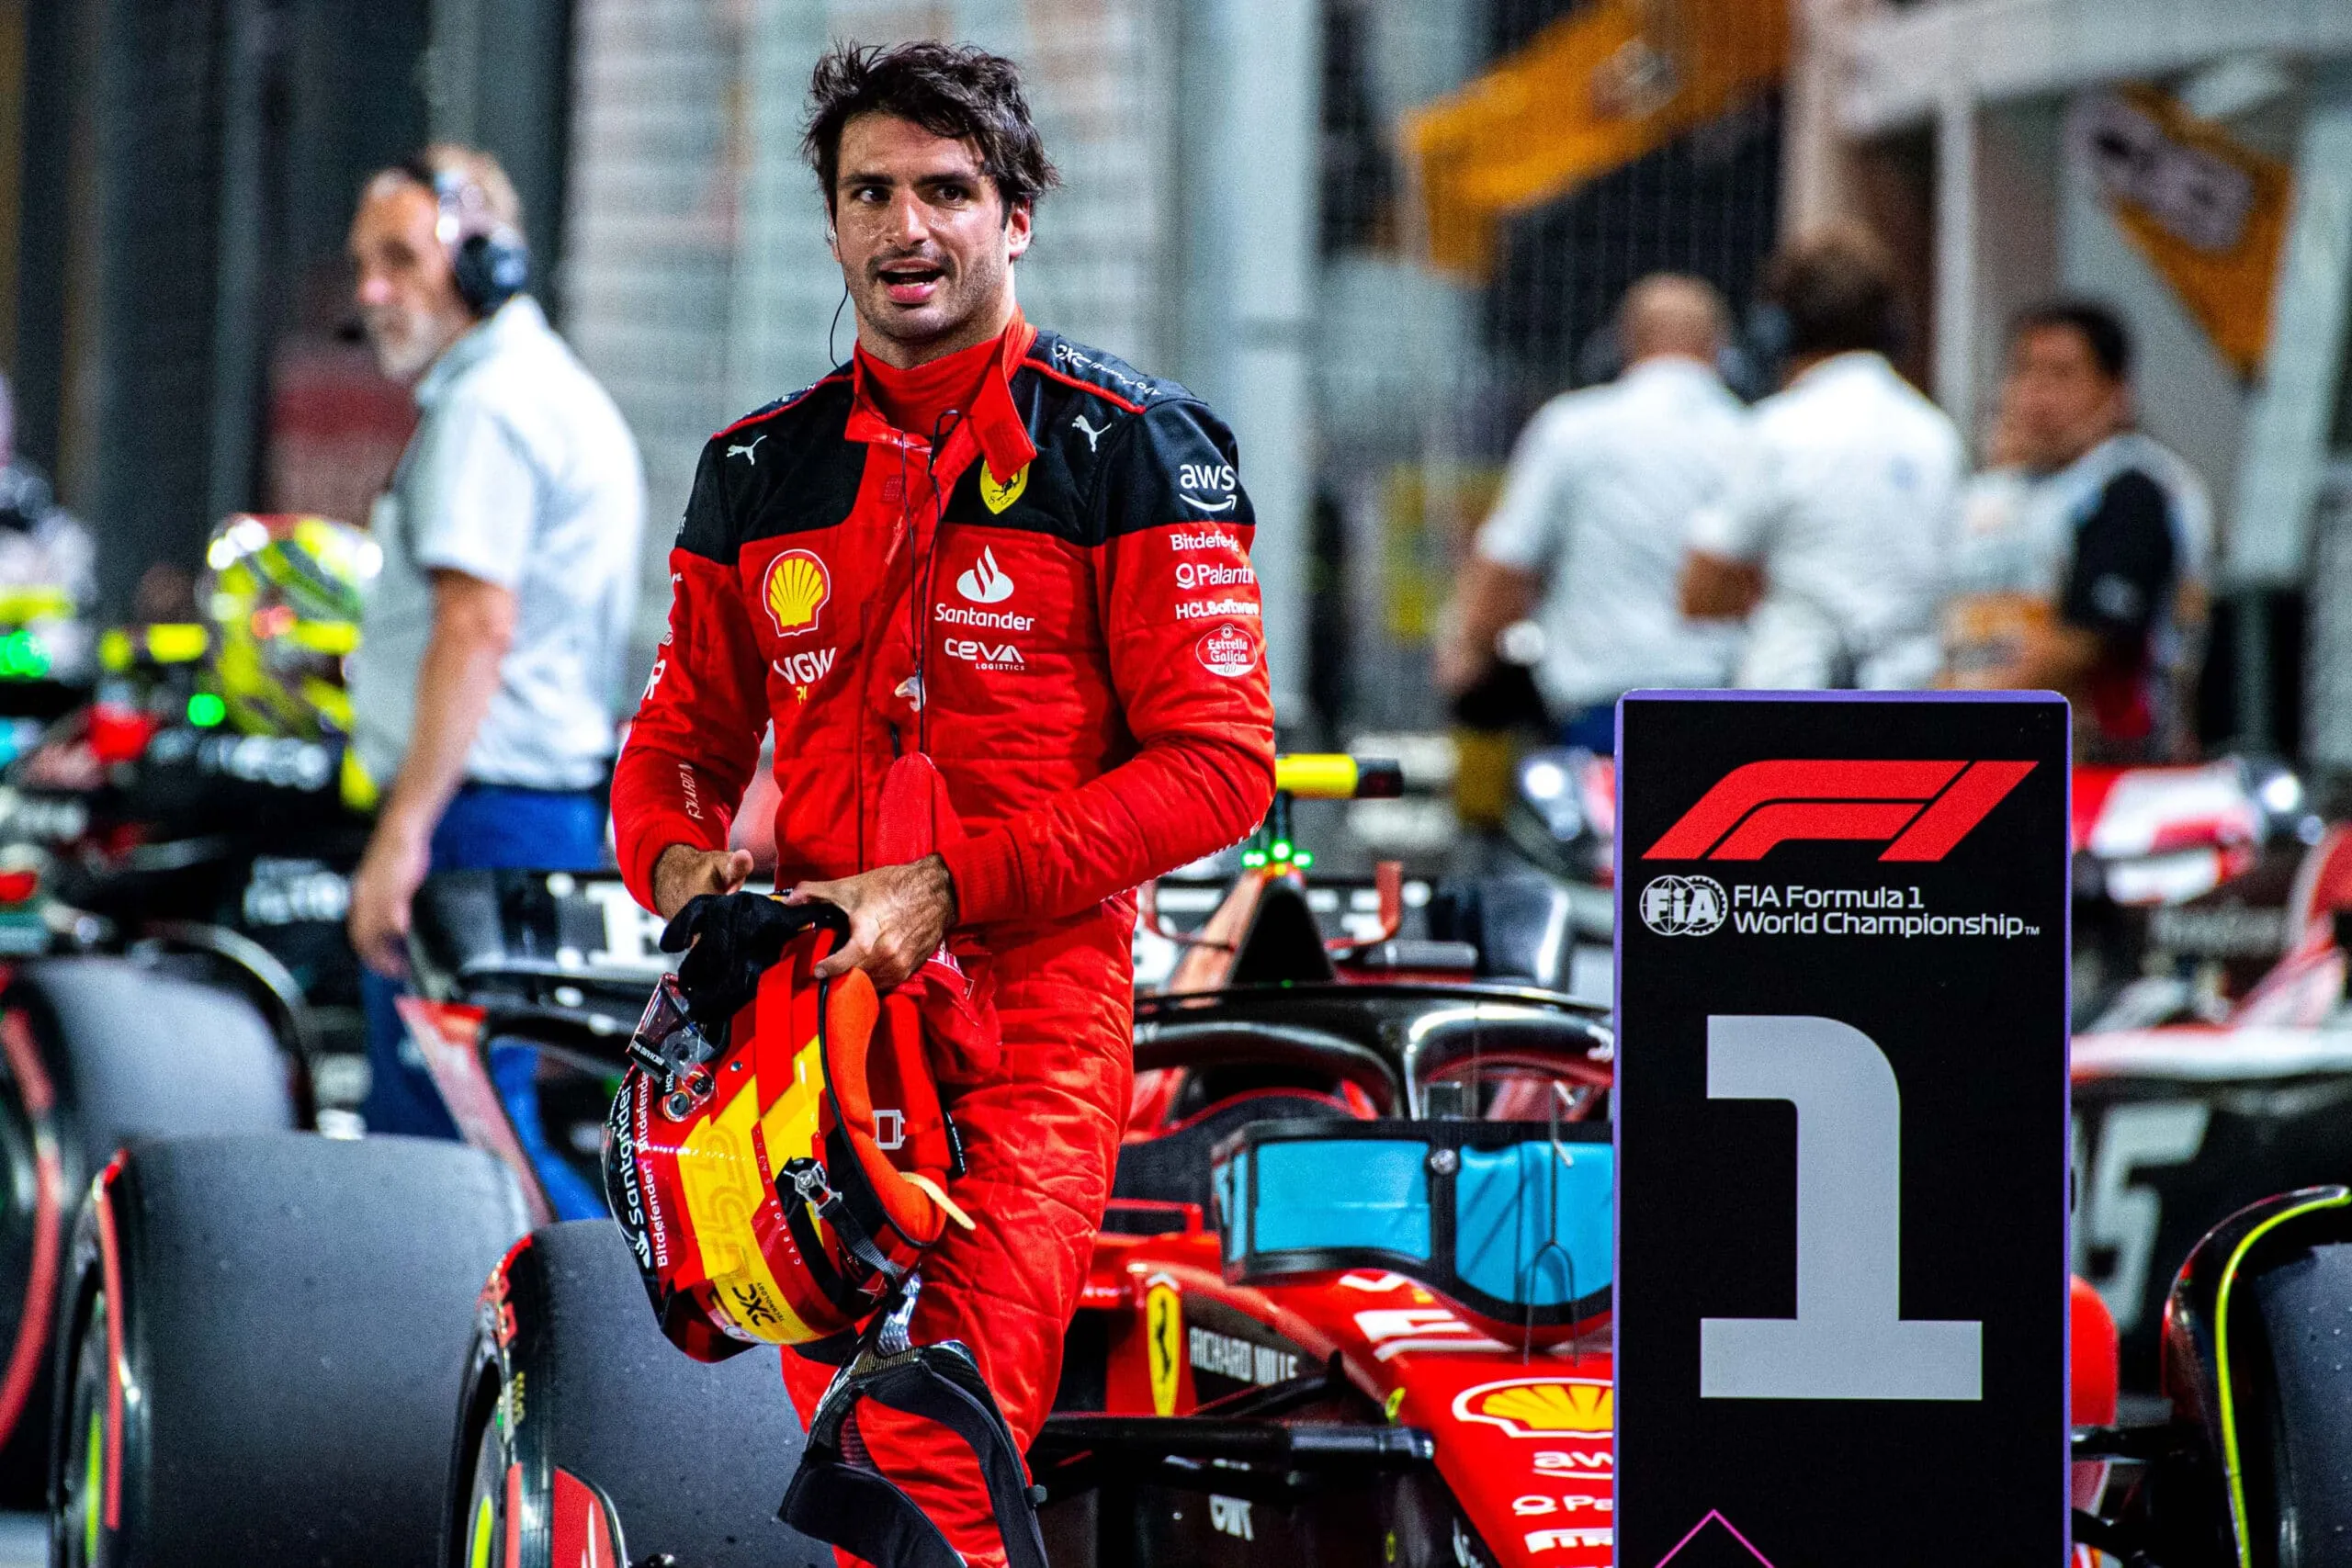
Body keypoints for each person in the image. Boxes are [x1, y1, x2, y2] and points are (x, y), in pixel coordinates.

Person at [607, 40, 1274, 1564]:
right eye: (872, 194)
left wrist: (948, 890)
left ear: (1016, 214)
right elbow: (677, 745)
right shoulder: (756, 469)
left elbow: (1224, 765)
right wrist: (685, 864)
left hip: (1038, 1005)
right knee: (853, 1434)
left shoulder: (1134, 448)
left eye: (948, 192)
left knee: (933, 1426)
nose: (909, 228)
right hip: (805, 1028)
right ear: (831, 224)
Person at [343, 144, 645, 1137]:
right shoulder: (527, 387)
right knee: (482, 1128)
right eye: (362, 265)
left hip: (476, 818)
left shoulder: (488, 406)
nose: (374, 290)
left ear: (485, 263)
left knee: (447, 1154)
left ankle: (582, 1299)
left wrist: (403, 834)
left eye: (400, 259)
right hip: (512, 811)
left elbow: (477, 627)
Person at [1437, 274, 1746, 749]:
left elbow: (1506, 567)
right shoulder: (1753, 438)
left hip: (1600, 714)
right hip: (1720, 712)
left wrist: (1469, 656)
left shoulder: (1571, 429)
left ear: (1623, 342)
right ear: (1722, 350)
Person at [1682, 226, 1964, 689]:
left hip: (1792, 698)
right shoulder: (1936, 433)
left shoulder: (1778, 429)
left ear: (1777, 332)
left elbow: (1701, 593)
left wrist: (1759, 584)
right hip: (1911, 702)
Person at [1945, 299, 2211, 761]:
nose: (2038, 394)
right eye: (2025, 371)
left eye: (2062, 375)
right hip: (1991, 753)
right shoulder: (1989, 490)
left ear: (2115, 391)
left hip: (2106, 769)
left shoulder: (2134, 485)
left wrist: (1949, 722)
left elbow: (2085, 643)